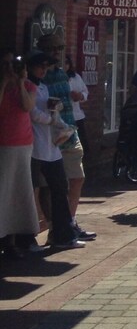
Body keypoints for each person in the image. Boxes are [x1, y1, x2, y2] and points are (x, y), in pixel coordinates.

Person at [37, 34, 95, 240]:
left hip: (70, 130)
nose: (56, 53)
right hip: (51, 136)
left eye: (59, 49)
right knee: (50, 185)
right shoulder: (39, 76)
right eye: (52, 49)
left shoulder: (63, 73)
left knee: (77, 179)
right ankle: (55, 227)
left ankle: (69, 222)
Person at [26, 52, 83, 249]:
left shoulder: (43, 85)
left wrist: (60, 124)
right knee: (32, 190)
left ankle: (62, 235)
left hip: (51, 145)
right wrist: (51, 119)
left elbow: (50, 111)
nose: (43, 70)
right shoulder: (27, 85)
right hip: (34, 146)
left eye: (46, 66)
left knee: (60, 187)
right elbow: (32, 112)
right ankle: (27, 236)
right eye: (39, 66)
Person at [1, 53, 42, 257]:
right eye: (6, 64)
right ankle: (5, 238)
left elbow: (27, 106)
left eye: (14, 65)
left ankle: (16, 238)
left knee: (19, 192)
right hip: (3, 145)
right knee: (3, 192)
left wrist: (21, 82)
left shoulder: (29, 86)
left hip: (23, 145)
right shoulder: (3, 84)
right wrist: (5, 82)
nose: (10, 68)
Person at [65, 56, 90, 160]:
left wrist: (80, 96)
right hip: (64, 116)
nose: (65, 65)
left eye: (67, 63)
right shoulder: (57, 78)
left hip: (77, 115)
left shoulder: (76, 77)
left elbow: (85, 92)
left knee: (82, 145)